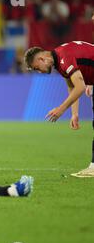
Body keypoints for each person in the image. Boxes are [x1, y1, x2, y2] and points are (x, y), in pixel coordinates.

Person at [24, 41, 94, 177]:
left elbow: (80, 86)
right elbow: (72, 86)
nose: (40, 72)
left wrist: (61, 109)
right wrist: (74, 113)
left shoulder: (64, 58)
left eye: (38, 68)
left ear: (42, 59)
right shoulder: (59, 59)